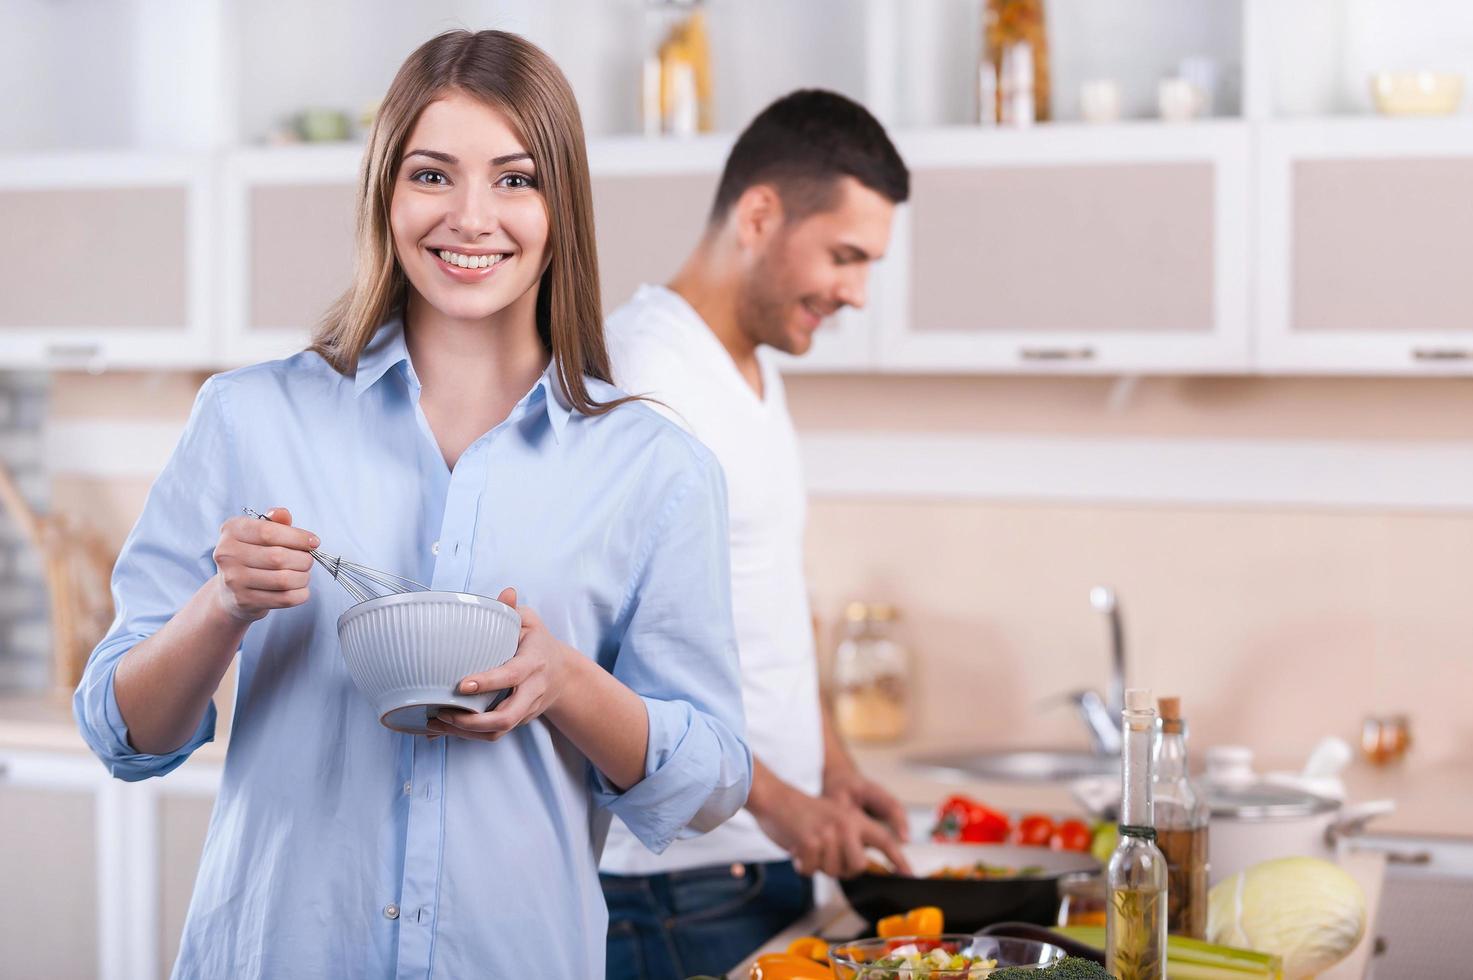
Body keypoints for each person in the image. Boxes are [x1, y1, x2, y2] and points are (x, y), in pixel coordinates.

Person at [72, 30, 750, 980]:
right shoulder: (249, 418)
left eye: (515, 180)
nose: (472, 218)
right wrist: (221, 607)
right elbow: (119, 731)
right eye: (433, 175)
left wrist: (564, 683)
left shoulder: (655, 470)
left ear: (562, 207)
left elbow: (714, 780)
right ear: (385, 195)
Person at [599, 89, 913, 979]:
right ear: (760, 215)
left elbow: (766, 602)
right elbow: (604, 655)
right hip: (674, 887)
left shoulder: (750, 370)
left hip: (761, 859)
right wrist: (781, 804)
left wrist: (832, 769)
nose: (853, 292)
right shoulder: (643, 379)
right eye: (844, 256)